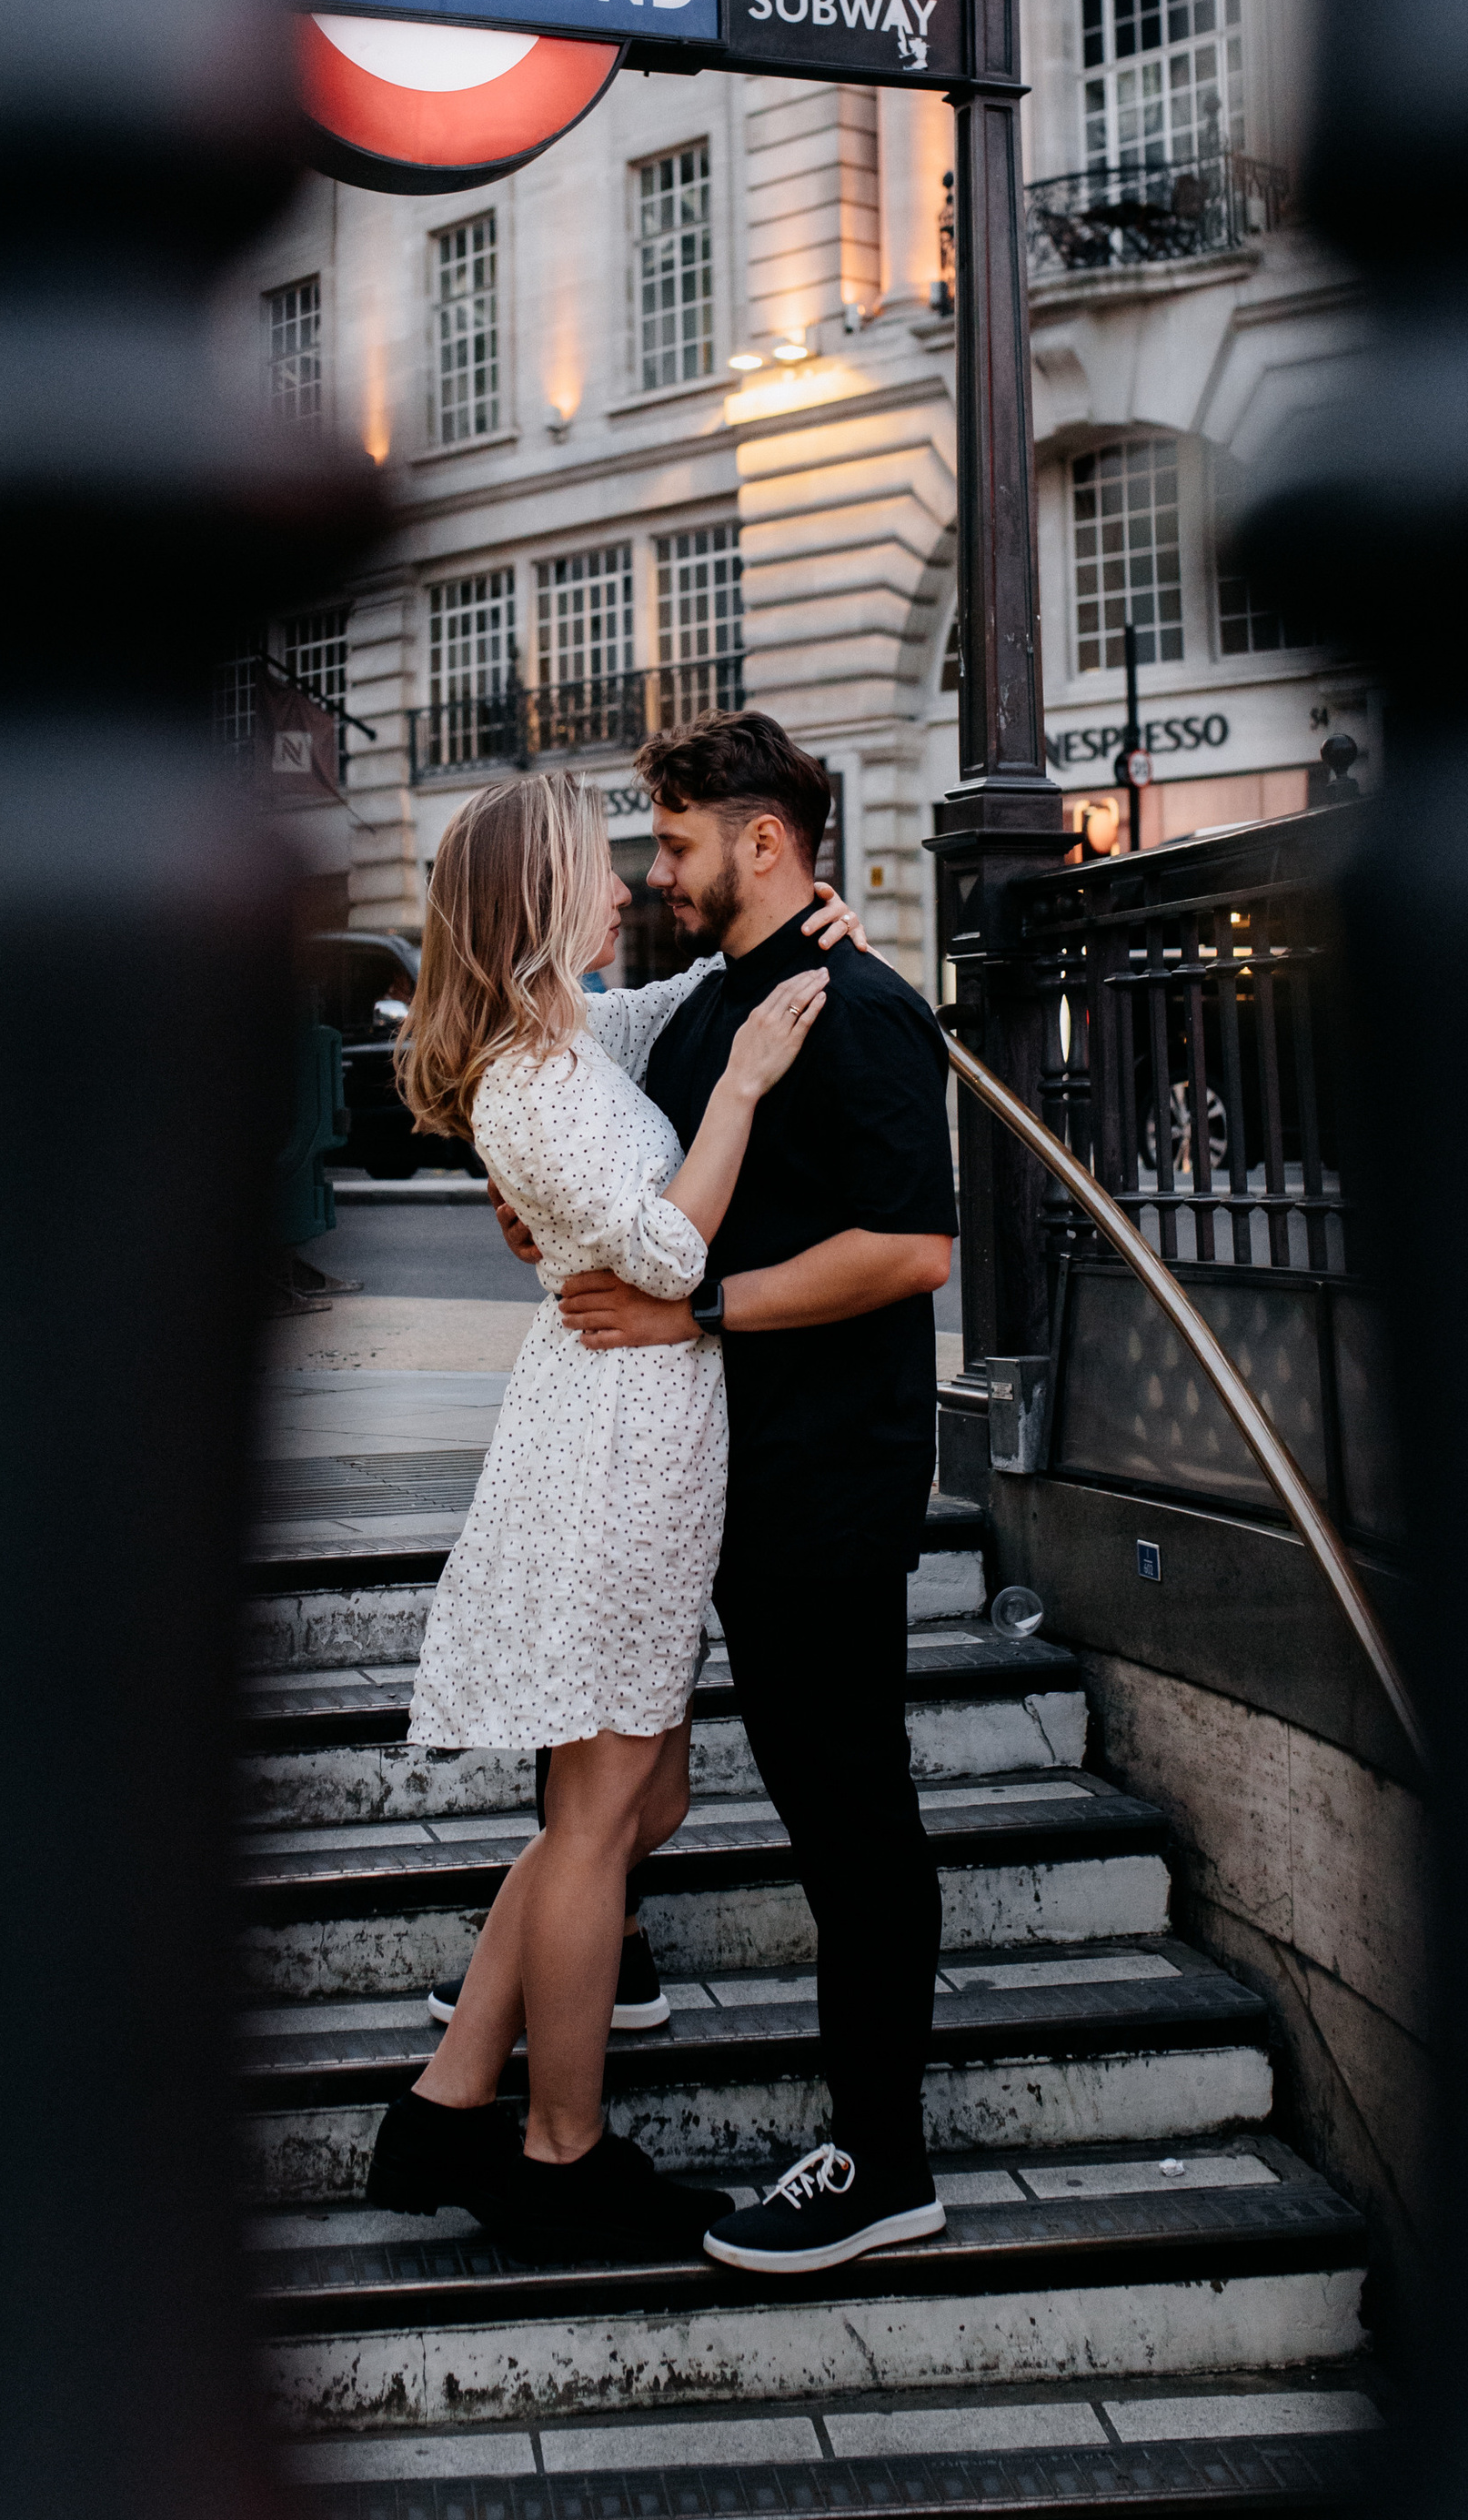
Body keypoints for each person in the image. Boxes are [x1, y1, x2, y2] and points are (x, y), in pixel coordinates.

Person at [362, 767, 865, 2267]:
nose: (627, 886)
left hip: (644, 1446)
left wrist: (779, 943)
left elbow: (671, 1008)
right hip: (610, 1460)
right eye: (598, 868)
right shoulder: (525, 1080)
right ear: (536, 902)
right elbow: (662, 1249)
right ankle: (558, 2150)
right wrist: (745, 1089)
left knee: (645, 1803)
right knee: (599, 1817)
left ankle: (451, 2096)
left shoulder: (573, 1036)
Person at [529, 710, 960, 2276]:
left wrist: (696, 1311)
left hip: (820, 1481)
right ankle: (599, 1956)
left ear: (762, 838)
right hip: (712, 1464)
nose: (661, 872)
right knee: (623, 1753)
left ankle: (882, 2158)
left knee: (848, 1810)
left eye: (680, 843)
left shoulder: (858, 1008)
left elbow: (912, 1249)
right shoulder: (724, 997)